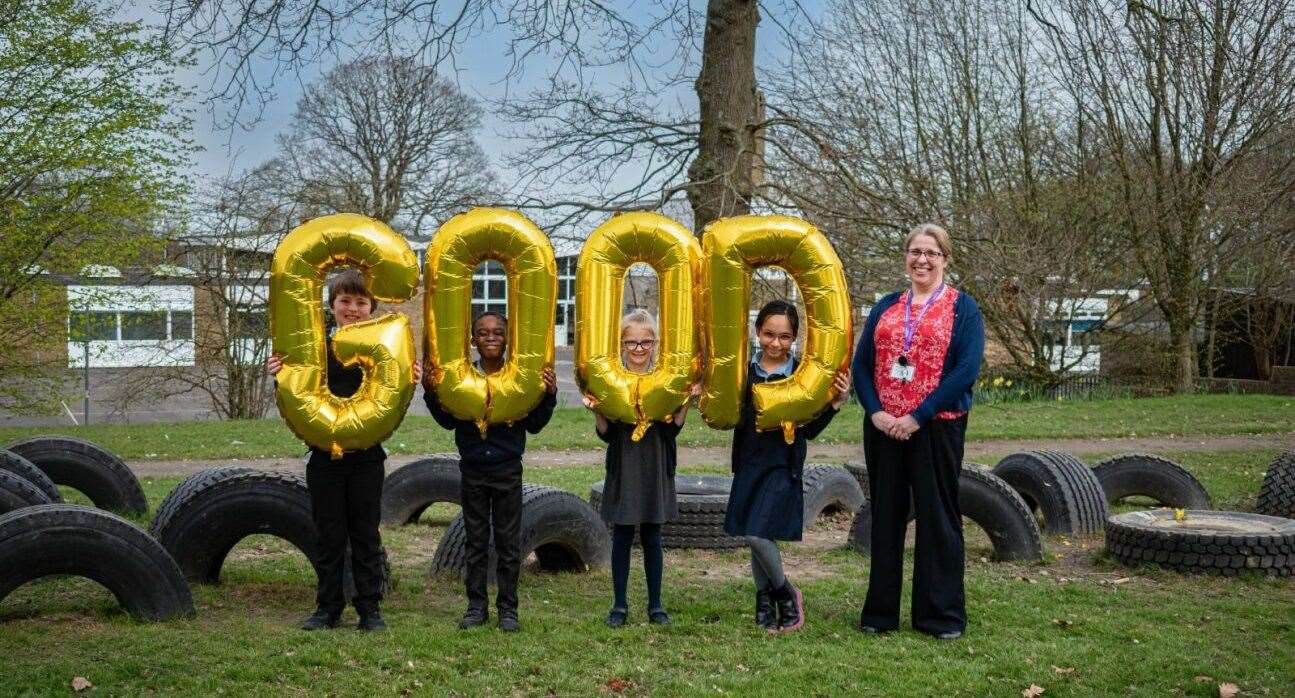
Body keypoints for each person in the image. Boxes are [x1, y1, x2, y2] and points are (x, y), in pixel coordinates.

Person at [266, 269, 420, 632]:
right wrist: (281, 371)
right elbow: (298, 393)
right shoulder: (313, 344)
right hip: (323, 458)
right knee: (329, 535)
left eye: (361, 302)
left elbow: (393, 397)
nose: (353, 309)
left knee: (366, 534)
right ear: (332, 305)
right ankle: (327, 608)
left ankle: (370, 609)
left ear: (372, 306)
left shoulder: (385, 345)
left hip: (367, 458)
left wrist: (407, 374)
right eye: (345, 301)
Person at [851, 223, 985, 640]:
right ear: (905, 256)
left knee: (938, 518)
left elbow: (965, 371)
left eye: (931, 253)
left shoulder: (964, 309)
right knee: (886, 517)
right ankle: (879, 614)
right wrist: (875, 412)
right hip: (884, 429)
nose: (921, 260)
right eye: (915, 251)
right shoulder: (888, 306)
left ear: (945, 259)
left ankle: (939, 617)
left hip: (935, 428)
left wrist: (918, 415)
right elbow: (862, 365)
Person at [422, 310, 557, 633]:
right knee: (476, 541)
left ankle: (508, 610)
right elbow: (449, 421)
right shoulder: (463, 380)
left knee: (509, 543)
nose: (491, 337)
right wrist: (431, 392)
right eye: (483, 333)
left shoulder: (519, 380)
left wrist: (548, 396)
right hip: (473, 470)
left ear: (508, 338)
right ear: (473, 341)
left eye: (498, 332)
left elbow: (535, 426)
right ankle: (476, 607)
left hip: (508, 470)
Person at [724, 299, 851, 633]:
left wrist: (834, 405)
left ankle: (785, 593)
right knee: (756, 533)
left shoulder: (801, 374)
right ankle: (764, 599)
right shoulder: (744, 371)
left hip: (783, 464)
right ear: (757, 332)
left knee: (756, 532)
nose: (775, 343)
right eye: (768, 334)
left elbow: (808, 429)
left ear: (794, 337)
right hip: (750, 463)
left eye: (784, 336)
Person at [582, 309, 699, 628]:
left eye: (645, 342)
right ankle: (619, 605)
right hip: (624, 466)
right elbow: (607, 435)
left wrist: (686, 402)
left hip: (656, 466)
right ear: (621, 344)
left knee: (652, 536)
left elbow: (672, 430)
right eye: (631, 342)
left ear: (656, 344)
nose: (638, 349)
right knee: (621, 535)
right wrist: (597, 412)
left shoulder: (666, 382)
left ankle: (656, 605)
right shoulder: (612, 382)